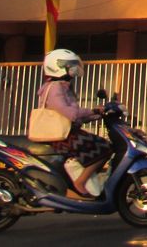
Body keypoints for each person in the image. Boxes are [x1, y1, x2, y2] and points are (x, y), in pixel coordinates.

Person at [38, 49, 113, 197]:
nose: (74, 69)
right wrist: (93, 110)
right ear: (58, 66)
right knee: (104, 147)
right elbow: (70, 113)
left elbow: (76, 116)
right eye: (70, 65)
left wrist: (97, 115)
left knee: (103, 146)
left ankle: (87, 182)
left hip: (67, 131)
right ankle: (80, 182)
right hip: (59, 136)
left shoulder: (63, 87)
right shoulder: (55, 88)